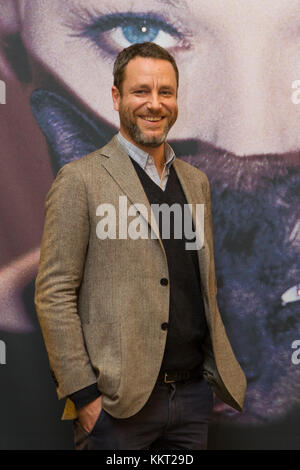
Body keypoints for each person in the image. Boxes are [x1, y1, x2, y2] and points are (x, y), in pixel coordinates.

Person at [34, 42, 246, 450]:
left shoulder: (195, 181)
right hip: (117, 408)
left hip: (190, 400)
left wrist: (212, 379)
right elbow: (54, 293)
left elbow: (200, 286)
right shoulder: (80, 180)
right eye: (140, 91)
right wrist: (84, 397)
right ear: (116, 97)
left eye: (165, 92)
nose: (154, 104)